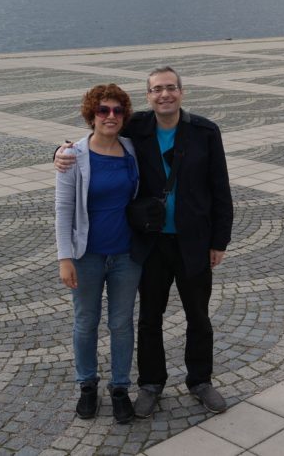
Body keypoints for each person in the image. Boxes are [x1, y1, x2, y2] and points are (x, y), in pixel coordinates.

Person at [55, 66, 233, 416]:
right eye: (157, 90)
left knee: (198, 315)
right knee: (150, 317)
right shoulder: (136, 128)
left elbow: (220, 189)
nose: (164, 94)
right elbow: (94, 138)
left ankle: (200, 381)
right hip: (150, 244)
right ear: (148, 97)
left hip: (194, 241)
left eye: (171, 88)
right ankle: (151, 383)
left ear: (181, 92)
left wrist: (219, 241)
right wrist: (59, 152)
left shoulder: (205, 131)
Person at [55, 83, 141, 424]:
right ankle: (87, 385)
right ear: (91, 115)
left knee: (121, 323)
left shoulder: (132, 149)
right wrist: (64, 258)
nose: (110, 116)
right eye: (103, 110)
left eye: (117, 110)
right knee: (85, 322)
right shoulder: (73, 156)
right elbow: (63, 209)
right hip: (86, 255)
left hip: (126, 256)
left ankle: (120, 388)